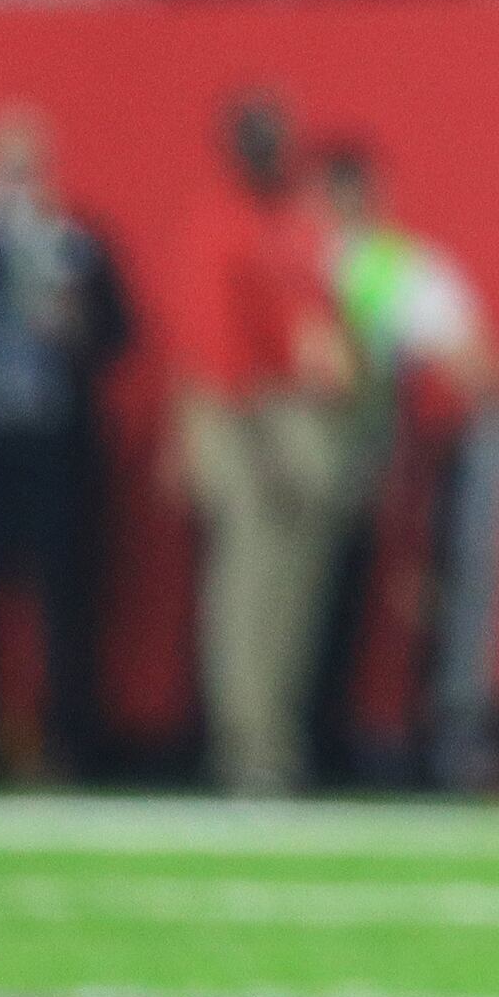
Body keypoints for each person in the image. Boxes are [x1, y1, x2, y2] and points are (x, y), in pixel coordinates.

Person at [309, 140, 499, 788]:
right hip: (349, 456)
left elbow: (470, 359)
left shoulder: (350, 261)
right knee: (329, 607)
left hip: (346, 457)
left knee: (314, 608)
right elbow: (476, 364)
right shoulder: (372, 263)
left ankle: (299, 745)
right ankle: (323, 743)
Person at [176, 94, 356, 796]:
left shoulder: (295, 223)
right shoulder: (220, 224)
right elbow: (215, 344)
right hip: (247, 418)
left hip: (300, 414)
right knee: (248, 589)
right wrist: (255, 439)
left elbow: (322, 320)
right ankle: (244, 745)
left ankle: (278, 739)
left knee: (294, 592)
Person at [0, 109, 131, 780]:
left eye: (26, 165)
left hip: (55, 441)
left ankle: (69, 746)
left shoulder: (75, 242)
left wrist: (78, 324)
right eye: (4, 165)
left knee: (66, 603)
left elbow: (119, 331)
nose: (15, 180)